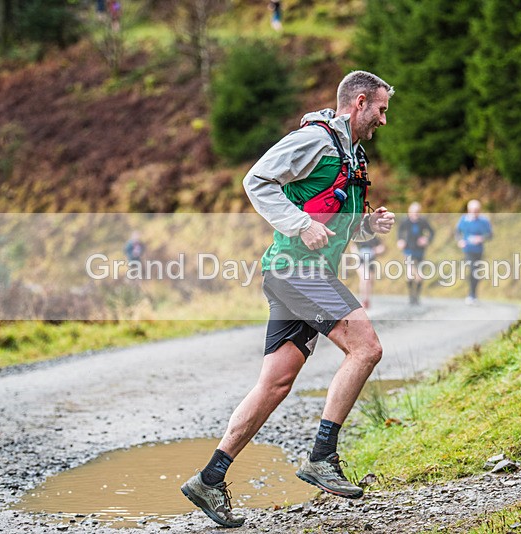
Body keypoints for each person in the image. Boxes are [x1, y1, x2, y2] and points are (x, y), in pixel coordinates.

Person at [180, 71, 395, 528]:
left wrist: (365, 226)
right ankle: (321, 457)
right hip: (297, 271)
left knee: (276, 383)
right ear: (359, 102)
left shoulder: (353, 154)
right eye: (380, 110)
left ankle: (209, 478)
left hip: (295, 273)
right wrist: (299, 224)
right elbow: (257, 180)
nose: (383, 120)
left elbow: (330, 220)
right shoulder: (315, 140)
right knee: (366, 348)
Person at [456, 199, 493, 305]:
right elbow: (457, 232)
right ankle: (471, 295)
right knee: (472, 269)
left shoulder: (484, 221)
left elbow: (490, 235)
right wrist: (460, 241)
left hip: (478, 250)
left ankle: (473, 294)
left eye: (476, 210)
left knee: (476, 271)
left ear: (479, 210)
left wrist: (481, 238)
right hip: (467, 249)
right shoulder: (464, 219)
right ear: (468, 210)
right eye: (472, 210)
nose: (474, 212)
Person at [397, 202, 434, 305]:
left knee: (419, 276)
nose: (415, 214)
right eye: (413, 212)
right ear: (409, 212)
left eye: (417, 212)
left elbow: (432, 232)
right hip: (408, 250)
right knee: (410, 273)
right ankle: (411, 296)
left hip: (419, 251)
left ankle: (416, 296)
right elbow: (399, 232)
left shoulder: (423, 221)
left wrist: (426, 239)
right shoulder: (405, 221)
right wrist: (400, 240)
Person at [350, 236, 386, 309]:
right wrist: (357, 254)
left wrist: (375, 250)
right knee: (365, 279)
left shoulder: (374, 237)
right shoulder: (359, 236)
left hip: (371, 262)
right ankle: (363, 300)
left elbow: (382, 247)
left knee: (370, 281)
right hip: (360, 261)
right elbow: (353, 246)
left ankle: (367, 299)